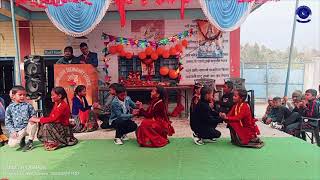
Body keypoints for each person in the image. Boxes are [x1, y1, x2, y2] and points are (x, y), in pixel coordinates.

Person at [5, 86, 38, 151]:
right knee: (12, 145)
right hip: (17, 130)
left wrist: (32, 119)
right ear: (14, 96)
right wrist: (13, 131)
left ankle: (30, 142)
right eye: (20, 95)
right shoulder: (9, 108)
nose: (22, 97)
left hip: (27, 128)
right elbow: (8, 122)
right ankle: (21, 139)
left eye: (24, 95)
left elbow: (33, 115)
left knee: (33, 123)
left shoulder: (28, 105)